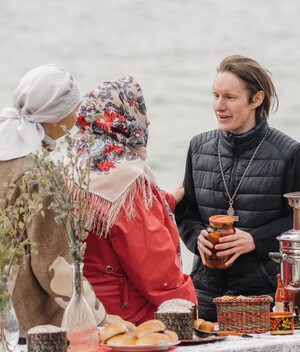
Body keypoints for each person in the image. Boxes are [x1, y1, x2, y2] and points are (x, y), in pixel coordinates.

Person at [0, 64, 133, 339]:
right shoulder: (39, 176)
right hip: (30, 325)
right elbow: (54, 266)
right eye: (73, 108)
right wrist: (101, 316)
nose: (78, 115)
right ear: (56, 116)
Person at [175, 55, 300, 322]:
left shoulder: (289, 152)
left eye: (229, 97)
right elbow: (186, 213)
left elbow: (297, 222)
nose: (219, 106)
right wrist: (197, 237)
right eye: (216, 95)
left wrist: (254, 240)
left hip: (265, 296)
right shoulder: (198, 148)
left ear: (256, 99)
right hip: (205, 293)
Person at [73, 76, 197, 325]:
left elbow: (107, 224)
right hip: (128, 319)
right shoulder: (126, 177)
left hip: (86, 311)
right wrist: (189, 308)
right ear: (125, 117)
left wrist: (164, 201)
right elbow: (155, 268)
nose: (146, 120)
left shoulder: (73, 161)